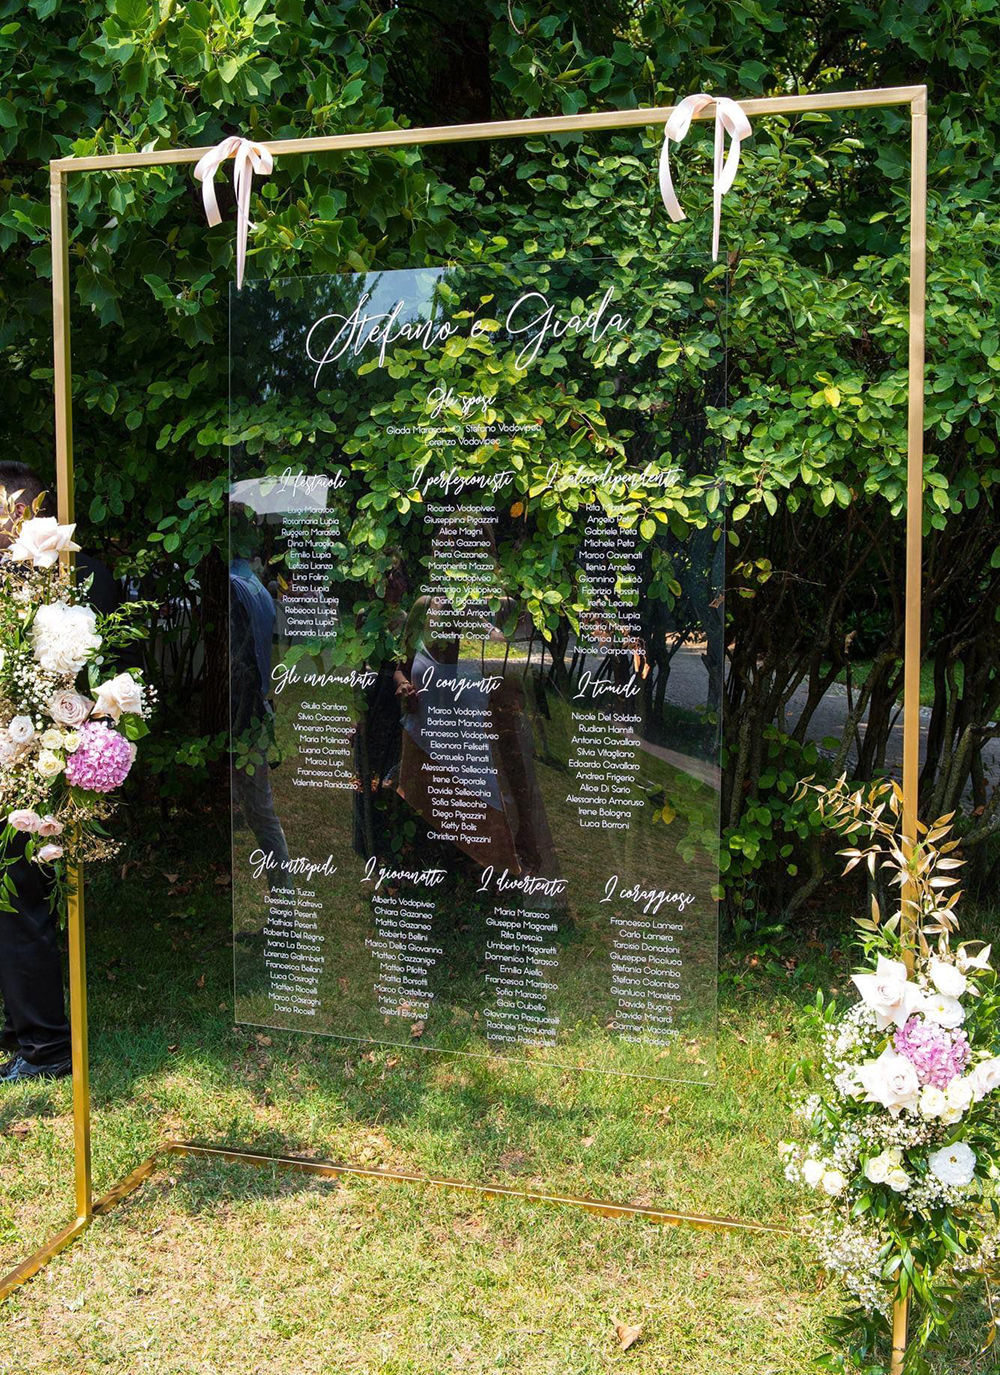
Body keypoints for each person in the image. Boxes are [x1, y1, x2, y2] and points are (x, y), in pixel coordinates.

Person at [0, 461, 120, 1084]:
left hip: (38, 758)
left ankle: (45, 1046)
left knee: (22, 905)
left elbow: (83, 666)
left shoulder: (78, 574)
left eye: (10, 510)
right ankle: (17, 1024)